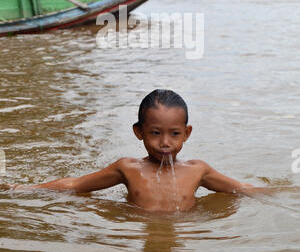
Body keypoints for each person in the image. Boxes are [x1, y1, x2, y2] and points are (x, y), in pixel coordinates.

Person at [3, 89, 274, 212]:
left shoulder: (197, 171)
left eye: (175, 134)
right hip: (137, 236)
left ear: (187, 133)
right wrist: (22, 189)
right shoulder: (128, 168)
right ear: (139, 132)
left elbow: (241, 189)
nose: (165, 142)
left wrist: (285, 194)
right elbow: (75, 185)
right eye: (155, 133)